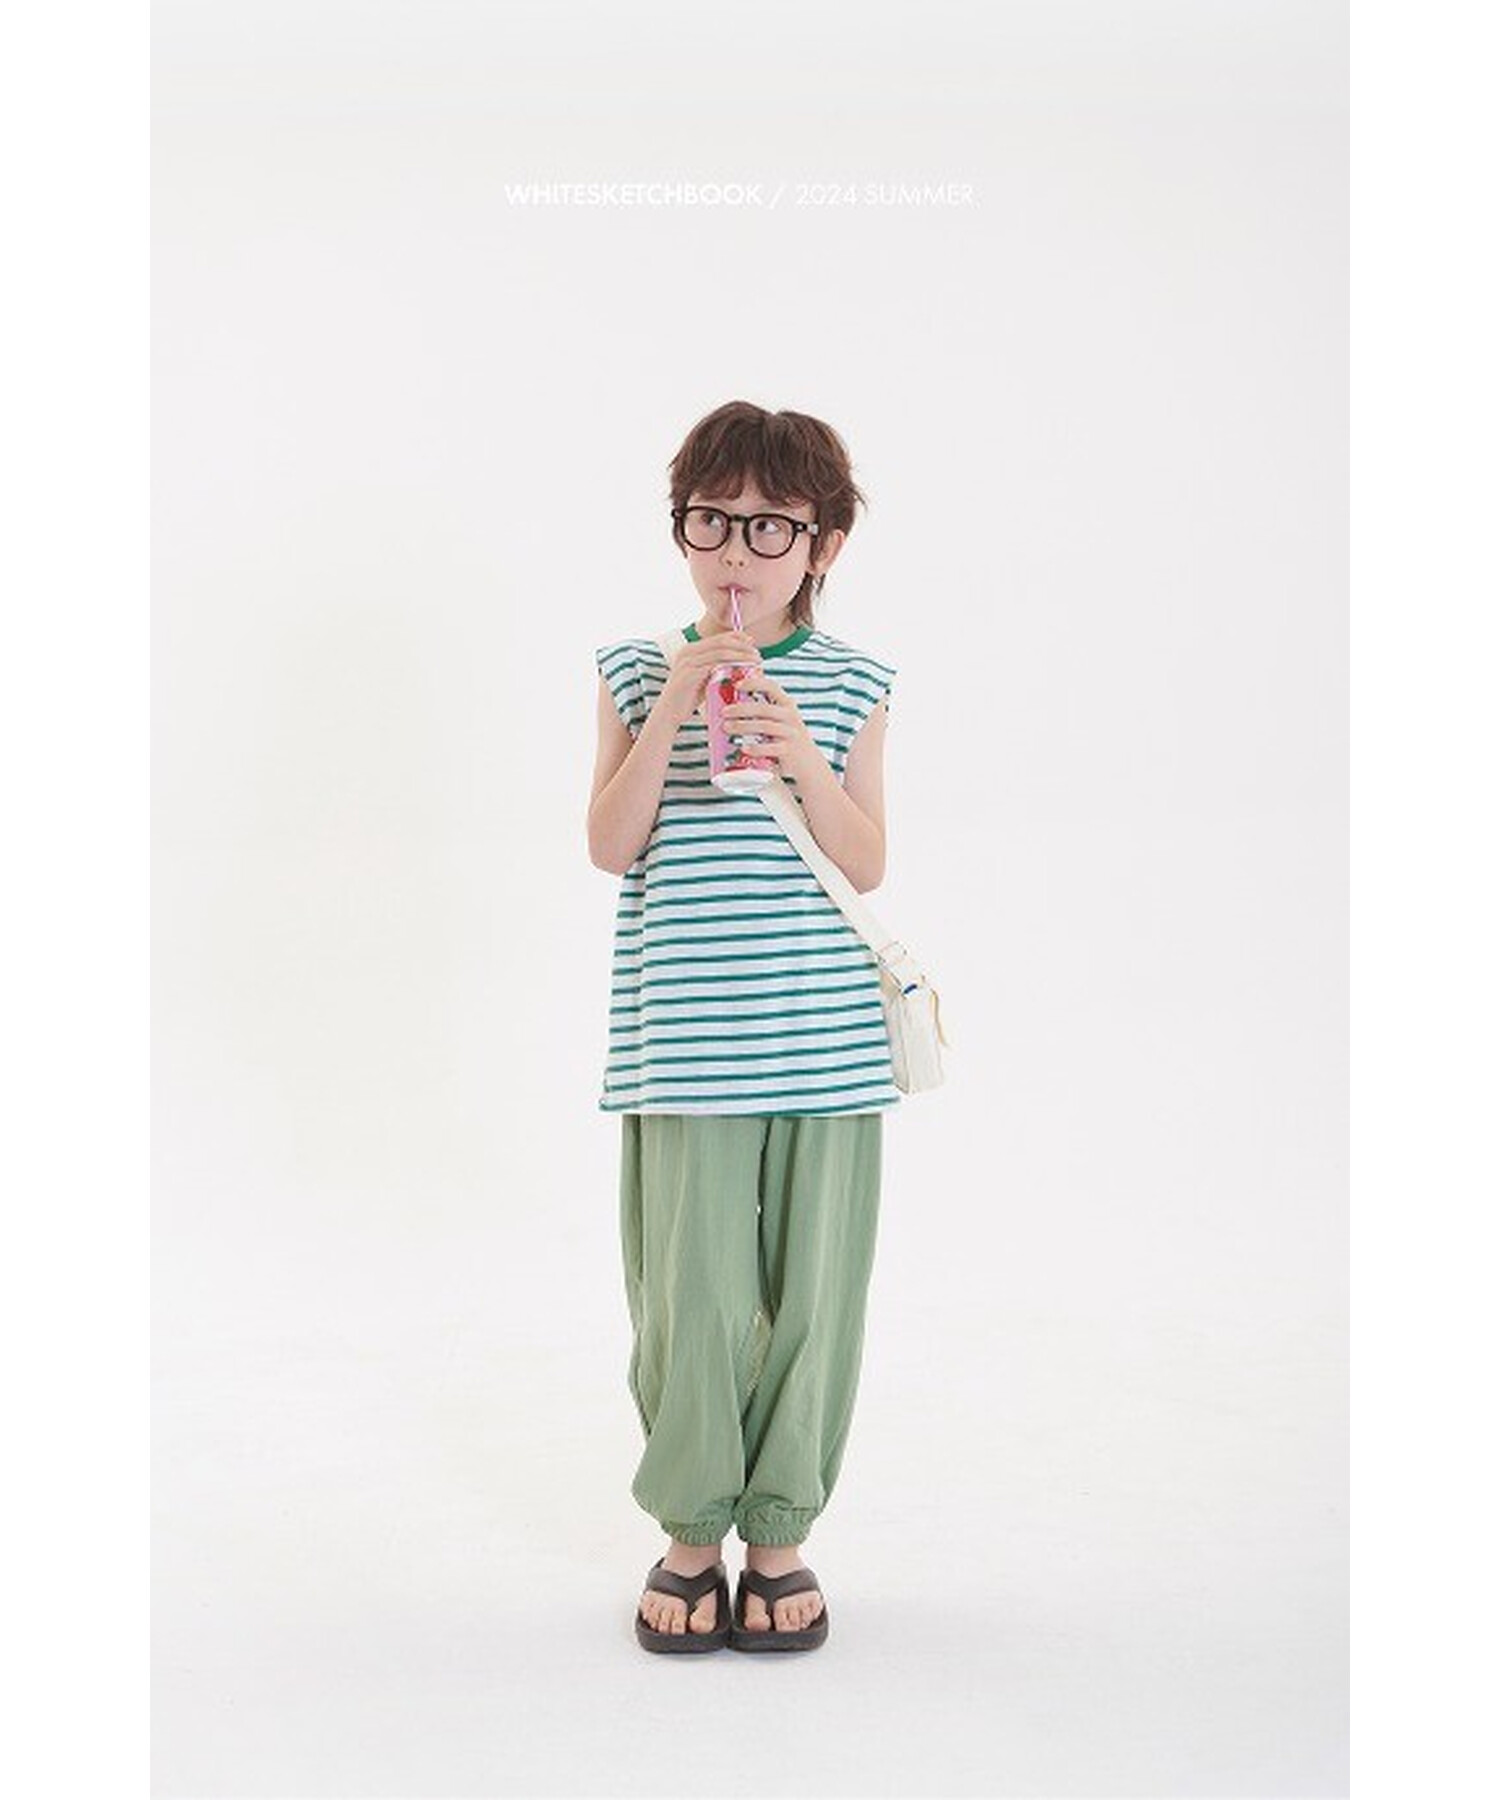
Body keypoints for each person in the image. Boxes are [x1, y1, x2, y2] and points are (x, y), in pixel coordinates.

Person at [587, 400, 899, 1654]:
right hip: (685, 1045)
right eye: (712, 521)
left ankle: (779, 1535)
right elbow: (610, 846)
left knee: (814, 1296)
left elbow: (865, 862)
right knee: (692, 1297)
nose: (737, 552)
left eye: (773, 527)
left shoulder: (855, 682)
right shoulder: (632, 668)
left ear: (822, 546)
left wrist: (801, 755)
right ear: (683, 529)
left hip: (827, 1044)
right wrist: (672, 706)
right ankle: (689, 1530)